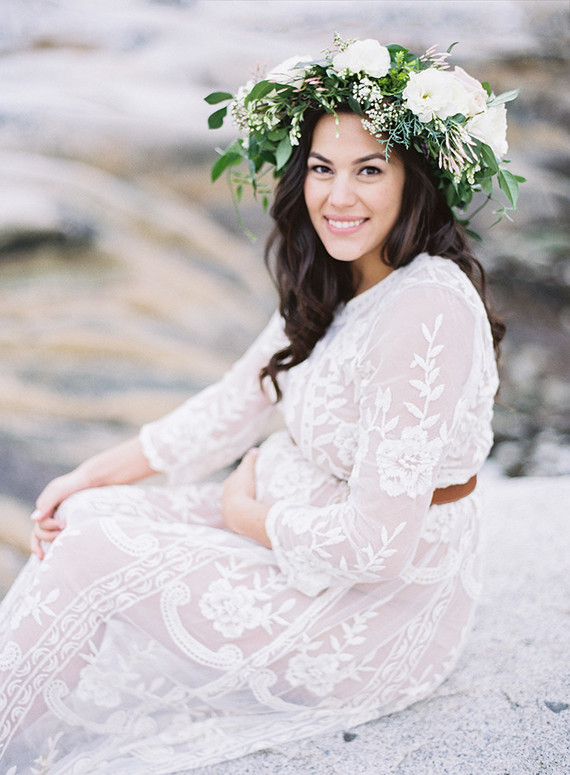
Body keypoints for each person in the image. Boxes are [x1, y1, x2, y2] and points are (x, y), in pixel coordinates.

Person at [0, 36, 521, 774]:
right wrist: (96, 470)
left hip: (369, 617)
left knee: (89, 550)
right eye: (321, 169)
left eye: (369, 170)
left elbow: (378, 547)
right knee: (84, 516)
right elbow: (238, 399)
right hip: (291, 535)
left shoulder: (426, 305)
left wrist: (249, 517)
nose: (338, 198)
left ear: (417, 180)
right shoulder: (340, 278)